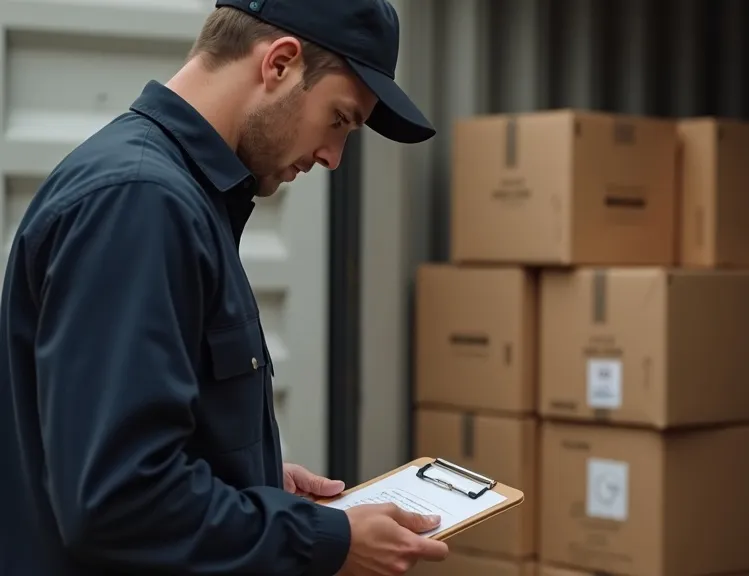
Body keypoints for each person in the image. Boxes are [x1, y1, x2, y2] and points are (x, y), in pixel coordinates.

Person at [0, 0, 448, 574]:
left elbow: (127, 446)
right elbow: (118, 502)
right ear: (280, 64)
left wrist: (251, 479)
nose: (333, 157)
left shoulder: (176, 196)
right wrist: (320, 540)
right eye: (340, 119)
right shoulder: (140, 202)